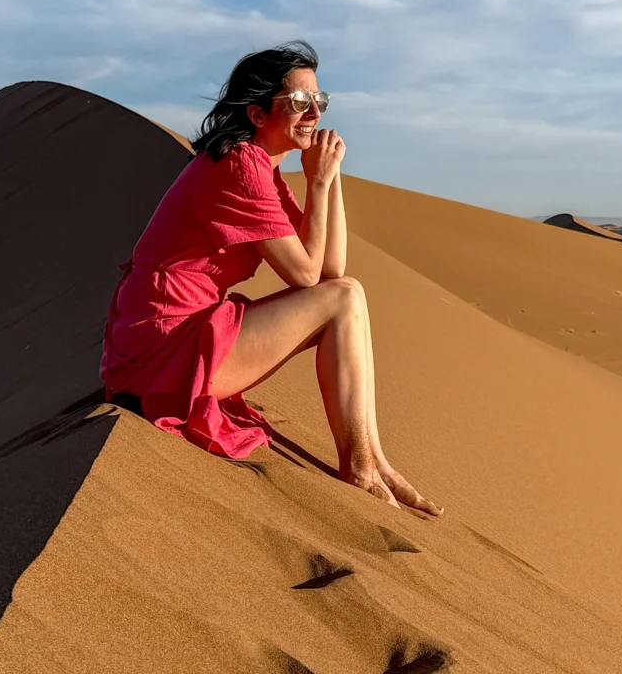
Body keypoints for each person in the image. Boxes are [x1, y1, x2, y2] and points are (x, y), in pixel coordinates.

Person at [101, 40, 441, 515]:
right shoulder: (237, 165)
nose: (313, 113)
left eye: (319, 102)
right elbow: (307, 276)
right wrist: (318, 182)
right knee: (344, 299)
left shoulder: (261, 171)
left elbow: (330, 270)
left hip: (185, 333)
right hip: (162, 352)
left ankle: (373, 461)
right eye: (300, 102)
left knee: (347, 295)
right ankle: (361, 465)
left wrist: (332, 175)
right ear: (258, 113)